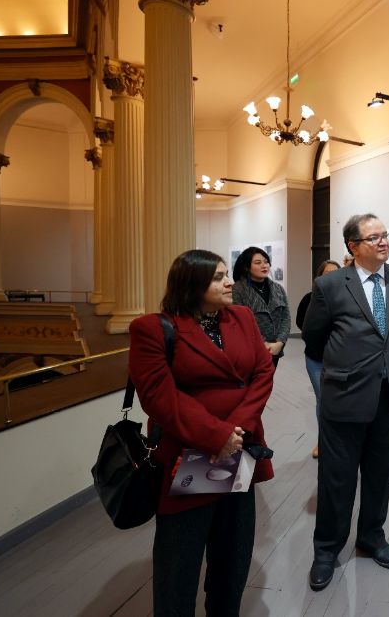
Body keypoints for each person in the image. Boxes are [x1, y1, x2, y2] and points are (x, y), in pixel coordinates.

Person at [128, 249, 274, 616]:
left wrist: (234, 431)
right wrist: (216, 436)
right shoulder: (153, 329)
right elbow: (160, 398)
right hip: (191, 452)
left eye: (227, 274)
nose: (229, 282)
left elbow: (261, 374)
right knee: (179, 561)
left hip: (238, 448)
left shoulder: (241, 317)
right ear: (191, 284)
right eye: (217, 277)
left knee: (232, 555)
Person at [302, 214, 389, 591]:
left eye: (386, 234)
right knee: (336, 479)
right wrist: (350, 366)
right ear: (353, 246)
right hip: (346, 398)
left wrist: (387, 364)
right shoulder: (331, 285)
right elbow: (314, 339)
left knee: (380, 475)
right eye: (374, 238)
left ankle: (371, 537)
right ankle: (326, 550)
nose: (384, 242)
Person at [295, 259, 341, 458]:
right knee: (323, 400)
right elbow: (301, 323)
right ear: (319, 277)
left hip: (342, 361)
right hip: (316, 360)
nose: (331, 277)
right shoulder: (309, 298)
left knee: (343, 401)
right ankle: (324, 442)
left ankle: (341, 441)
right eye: (327, 273)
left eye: (336, 273)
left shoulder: (347, 298)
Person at [232, 246, 291, 367]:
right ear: (247, 267)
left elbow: (286, 318)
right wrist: (262, 343)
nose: (264, 266)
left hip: (275, 349)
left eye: (266, 262)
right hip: (250, 349)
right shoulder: (237, 289)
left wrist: (280, 342)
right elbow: (238, 322)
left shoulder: (278, 288)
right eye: (258, 263)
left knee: (268, 382)